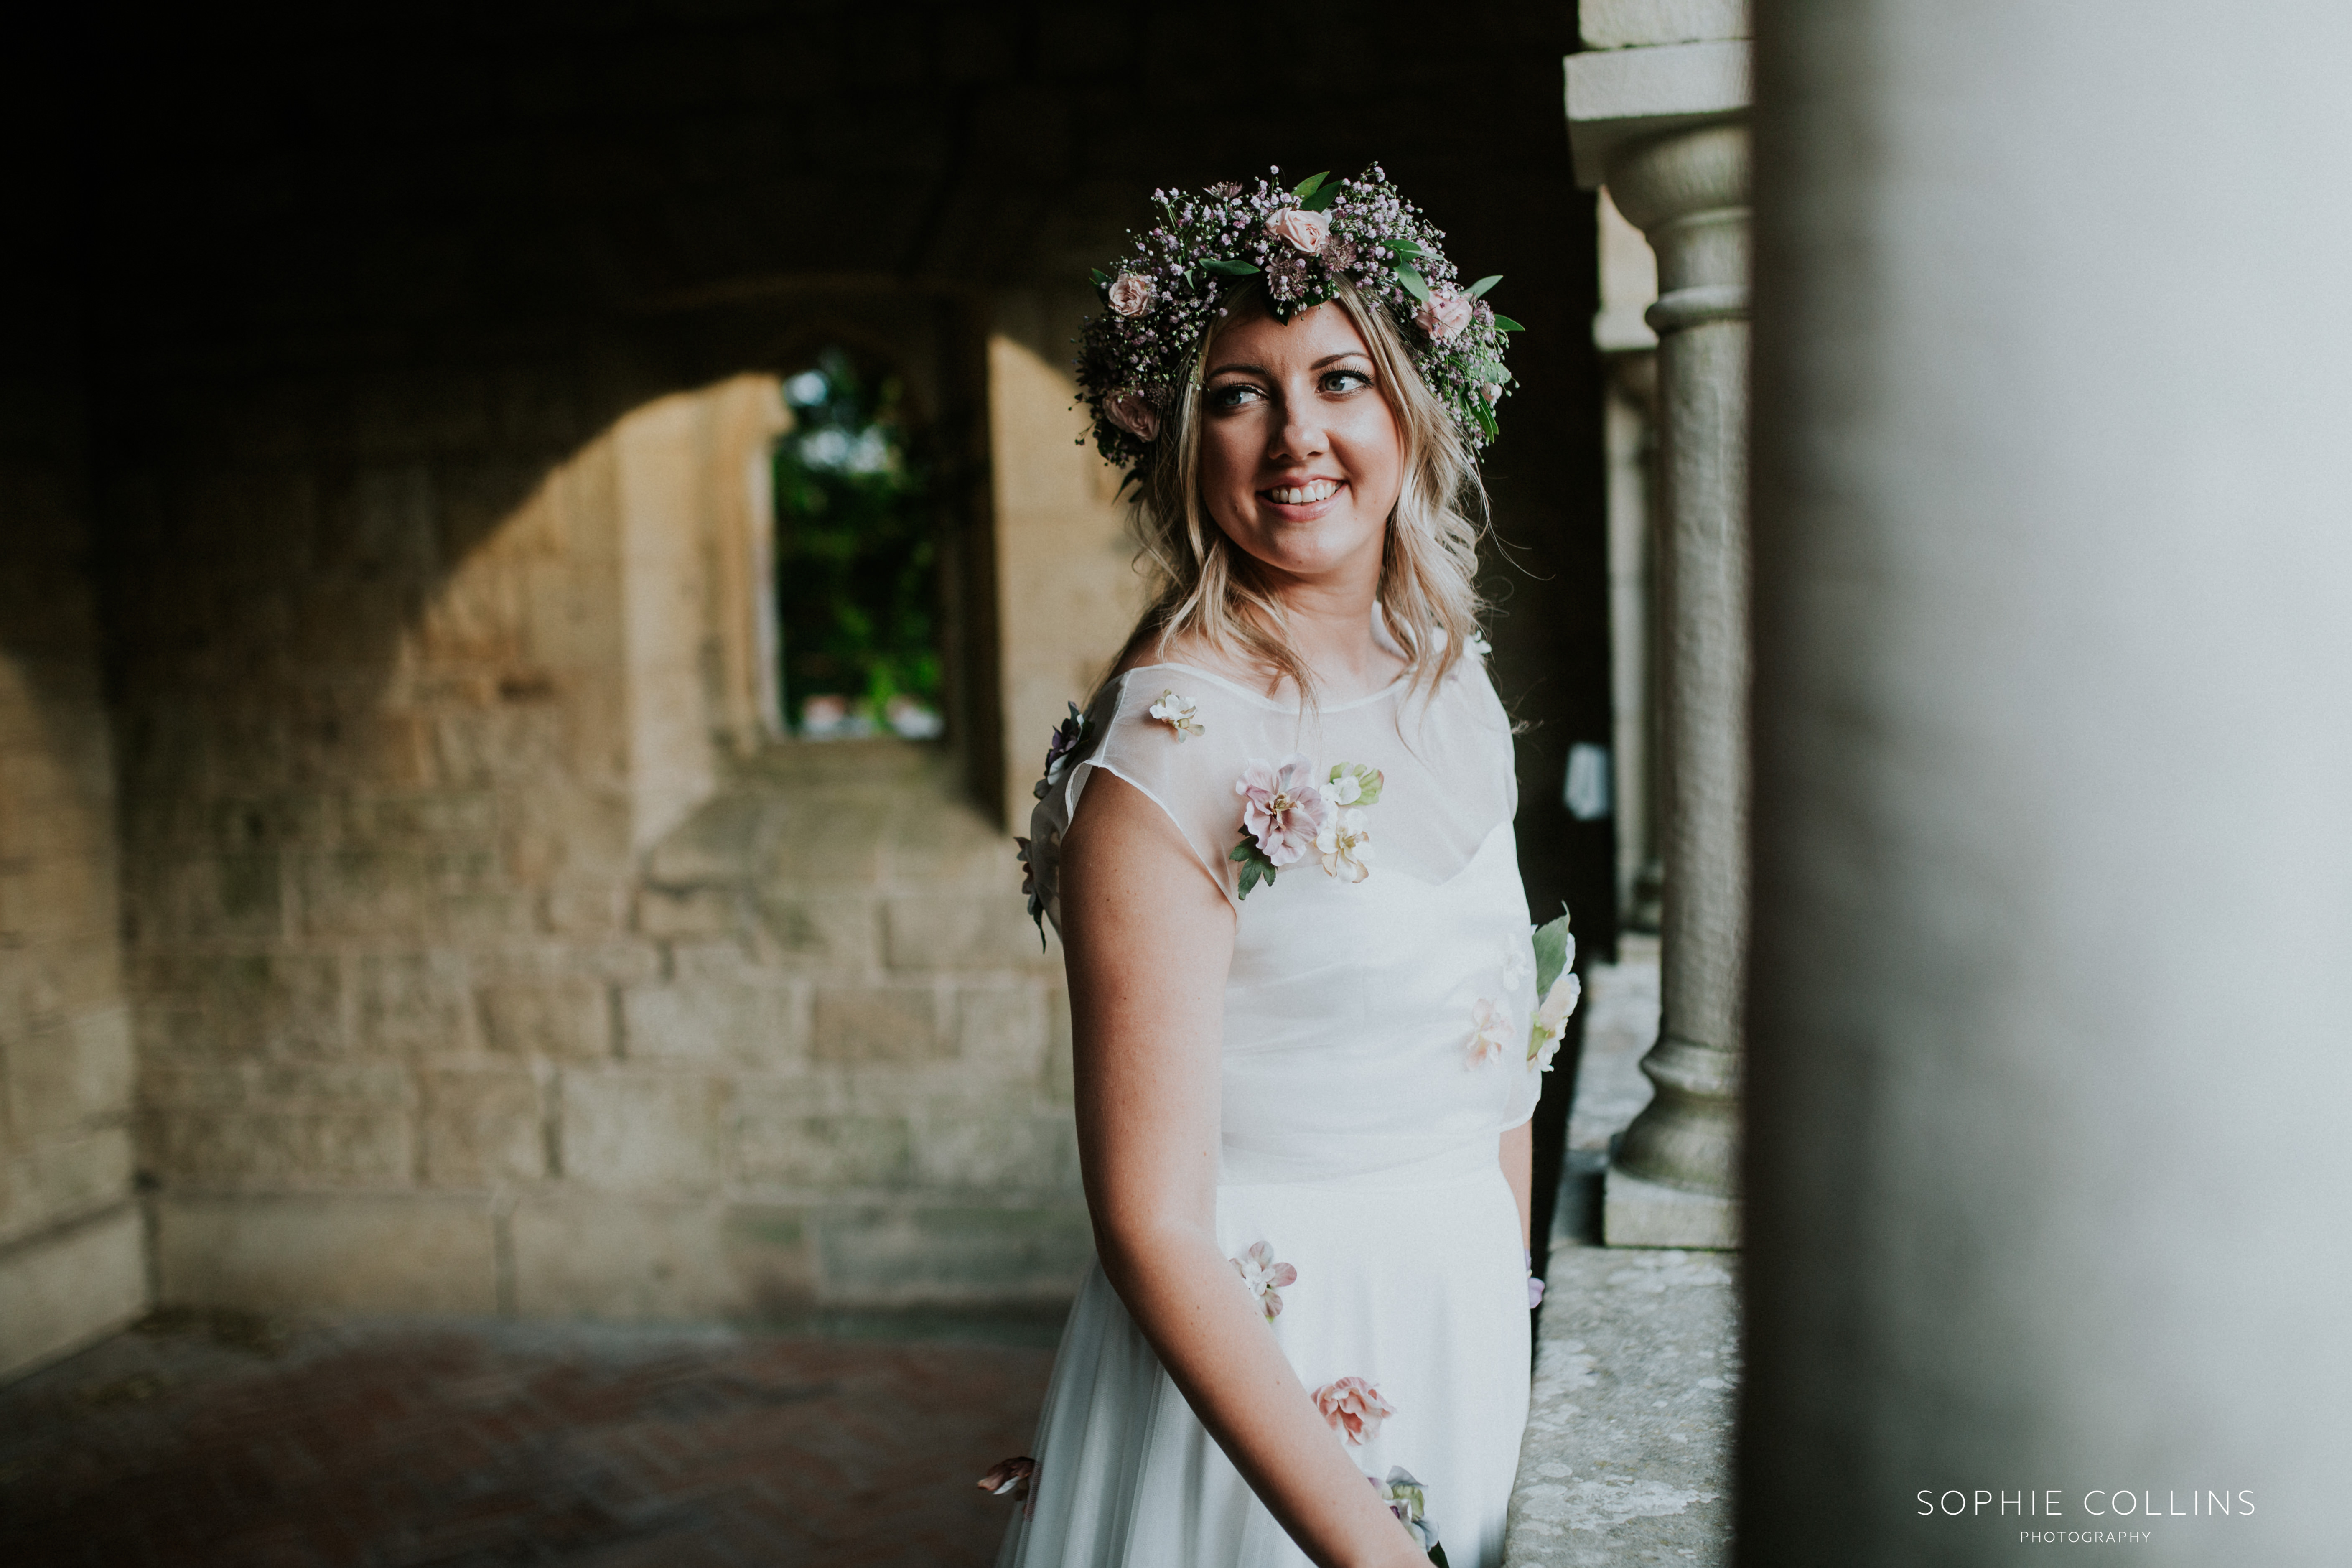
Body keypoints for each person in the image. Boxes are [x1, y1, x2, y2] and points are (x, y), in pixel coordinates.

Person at [991, 168, 1574, 1568]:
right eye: (1240, 394)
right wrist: (1371, 1552)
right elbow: (1149, 1223)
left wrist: (1506, 1325)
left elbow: (1493, 1066)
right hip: (1273, 1410)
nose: (1295, 436)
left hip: (1464, 1342)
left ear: (1409, 410)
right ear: (1180, 439)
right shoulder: (1173, 749)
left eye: (1337, 379)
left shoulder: (1449, 685)